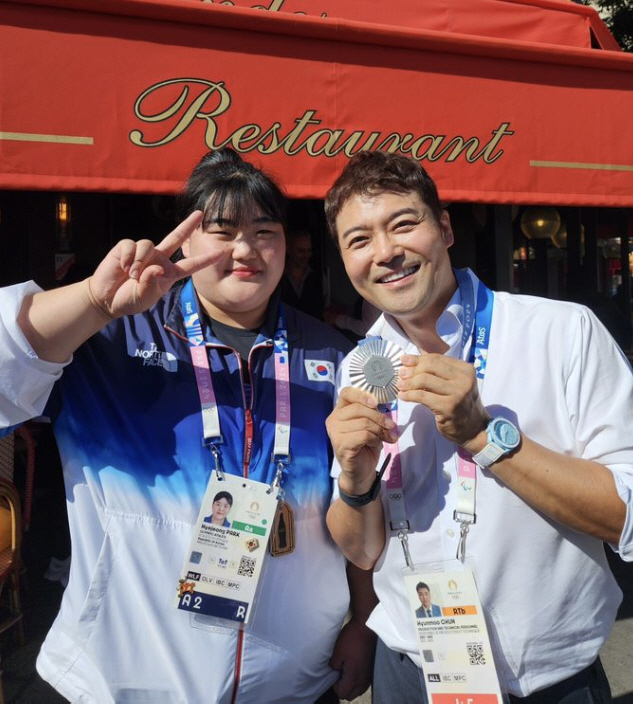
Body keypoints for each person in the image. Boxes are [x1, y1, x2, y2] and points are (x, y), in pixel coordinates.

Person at [0, 149, 376, 703]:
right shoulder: (112, 341)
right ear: (187, 241)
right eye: (222, 230)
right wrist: (95, 303)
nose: (246, 249)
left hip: (293, 682)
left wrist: (363, 622)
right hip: (118, 683)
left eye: (265, 231)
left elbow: (369, 500)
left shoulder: (334, 358)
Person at [323, 151, 633, 704]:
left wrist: (484, 436)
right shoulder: (360, 366)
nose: (385, 252)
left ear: (445, 228)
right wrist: (356, 481)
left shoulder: (562, 332)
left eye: (404, 223)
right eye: (359, 240)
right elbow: (361, 552)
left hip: (550, 683)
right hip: (408, 672)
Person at [280, 228, 325, 319]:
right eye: (301, 251)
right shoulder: (278, 278)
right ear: (288, 250)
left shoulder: (317, 277)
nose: (306, 256)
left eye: (309, 251)